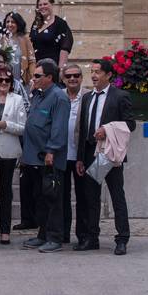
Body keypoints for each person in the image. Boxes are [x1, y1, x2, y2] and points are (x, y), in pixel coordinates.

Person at [75, 58, 135, 255]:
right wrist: (80, 158)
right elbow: (82, 130)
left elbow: (130, 124)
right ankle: (92, 237)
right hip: (92, 153)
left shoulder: (120, 96)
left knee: (117, 196)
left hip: (110, 154)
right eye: (92, 71)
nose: (93, 75)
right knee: (90, 198)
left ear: (108, 75)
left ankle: (122, 238)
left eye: (97, 72)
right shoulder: (87, 98)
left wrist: (107, 130)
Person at [21, 59, 70, 253]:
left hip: (49, 157)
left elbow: (58, 127)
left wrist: (52, 150)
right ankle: (43, 234)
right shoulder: (38, 96)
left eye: (38, 76)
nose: (34, 79)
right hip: (34, 156)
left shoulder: (59, 97)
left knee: (53, 198)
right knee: (40, 197)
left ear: (50, 77)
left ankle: (55, 237)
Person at [0, 65, 27, 245]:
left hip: (8, 150)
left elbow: (23, 127)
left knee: (6, 192)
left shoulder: (17, 99)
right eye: (0, 80)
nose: (3, 83)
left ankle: (5, 230)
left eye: (7, 80)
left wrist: (7, 125)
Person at [61, 63, 89, 246]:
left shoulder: (88, 96)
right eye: (69, 76)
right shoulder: (58, 96)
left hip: (81, 155)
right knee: (62, 198)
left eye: (76, 75)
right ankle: (63, 234)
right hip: (61, 155)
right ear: (63, 78)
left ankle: (83, 235)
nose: (72, 79)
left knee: (83, 197)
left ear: (81, 77)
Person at [29, 0, 73, 68]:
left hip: (52, 66)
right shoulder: (36, 24)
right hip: (36, 67)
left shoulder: (60, 23)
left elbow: (65, 48)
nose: (42, 6)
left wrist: (61, 70)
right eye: (40, 5)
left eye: (45, 4)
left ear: (52, 4)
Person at [1, 11, 35, 84]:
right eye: (7, 22)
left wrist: (32, 78)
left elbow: (32, 61)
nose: (10, 24)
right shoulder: (0, 40)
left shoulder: (25, 39)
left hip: (21, 79)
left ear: (18, 24)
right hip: (4, 80)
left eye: (13, 22)